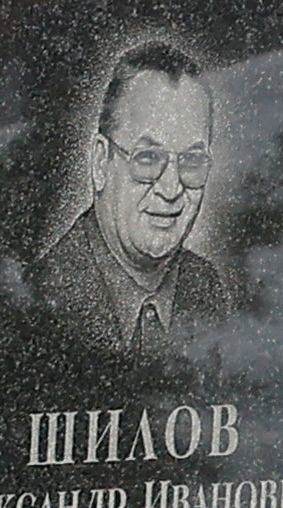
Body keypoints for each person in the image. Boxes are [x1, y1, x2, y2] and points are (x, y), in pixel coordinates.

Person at [28, 39, 235, 369]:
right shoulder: (39, 301)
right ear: (100, 163)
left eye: (192, 161)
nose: (171, 188)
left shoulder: (205, 289)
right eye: (147, 157)